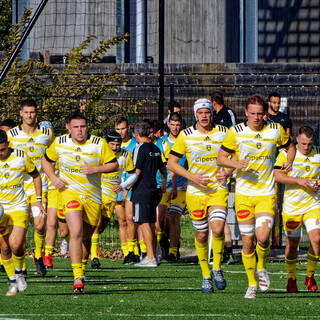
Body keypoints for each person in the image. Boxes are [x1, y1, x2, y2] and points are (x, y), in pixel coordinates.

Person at [217, 94, 295, 299]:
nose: (257, 117)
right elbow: (221, 158)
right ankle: (252, 284)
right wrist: (235, 165)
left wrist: (290, 161)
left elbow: (291, 147)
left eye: (260, 113)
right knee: (247, 242)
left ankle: (262, 267)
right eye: (252, 113)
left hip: (266, 193)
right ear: (245, 113)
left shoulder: (275, 130)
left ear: (266, 114)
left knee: (262, 237)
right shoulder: (236, 132)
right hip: (243, 194)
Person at [42, 112, 118, 292]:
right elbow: (46, 161)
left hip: (93, 197)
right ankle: (77, 277)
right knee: (75, 232)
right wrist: (53, 177)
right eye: (76, 127)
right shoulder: (59, 142)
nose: (80, 130)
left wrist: (96, 169)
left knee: (86, 237)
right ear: (68, 127)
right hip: (69, 193)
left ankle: (81, 271)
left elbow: (114, 164)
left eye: (83, 126)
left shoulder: (98, 144)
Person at [168, 98, 231, 293]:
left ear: (212, 113)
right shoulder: (186, 135)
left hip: (217, 189)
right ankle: (205, 274)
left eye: (207, 112)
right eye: (200, 112)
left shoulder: (223, 132)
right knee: (202, 235)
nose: (204, 116)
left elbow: (235, 155)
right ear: (195, 114)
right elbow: (172, 163)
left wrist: (227, 172)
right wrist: (191, 176)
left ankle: (217, 267)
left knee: (218, 228)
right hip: (195, 192)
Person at [7, 99, 54, 277]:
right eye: (26, 112)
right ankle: (21, 265)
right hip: (17, 187)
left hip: (39, 185)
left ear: (37, 113)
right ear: (20, 113)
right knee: (20, 228)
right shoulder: (12, 135)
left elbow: (52, 155)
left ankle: (38, 256)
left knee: (40, 225)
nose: (29, 115)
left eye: (32, 112)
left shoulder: (47, 133)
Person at [274, 126, 320, 293]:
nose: (306, 148)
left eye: (309, 144)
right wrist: (299, 181)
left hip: (313, 204)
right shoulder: (287, 154)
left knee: (317, 239)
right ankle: (291, 278)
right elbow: (277, 175)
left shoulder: (318, 153)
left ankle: (310, 275)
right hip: (292, 207)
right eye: (303, 144)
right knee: (293, 245)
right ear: (296, 140)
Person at [0, 129, 44, 295]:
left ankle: (20, 272)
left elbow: (36, 175)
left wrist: (38, 199)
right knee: (4, 249)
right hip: (0, 210)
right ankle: (12, 281)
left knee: (16, 244)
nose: (0, 153)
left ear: (8, 145)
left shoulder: (20, 156)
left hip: (18, 206)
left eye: (2, 150)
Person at [90, 130, 135, 269]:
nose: (115, 147)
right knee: (96, 226)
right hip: (98, 193)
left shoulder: (126, 155)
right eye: (112, 144)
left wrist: (123, 186)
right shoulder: (99, 154)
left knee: (102, 226)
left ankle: (88, 245)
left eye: (117, 144)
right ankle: (94, 257)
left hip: (112, 197)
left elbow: (133, 175)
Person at [124, 121, 167, 267]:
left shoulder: (139, 148)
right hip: (153, 189)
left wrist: (125, 187)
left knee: (143, 223)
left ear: (136, 134)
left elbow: (136, 172)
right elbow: (163, 169)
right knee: (150, 224)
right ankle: (154, 255)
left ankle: (150, 257)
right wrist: (163, 184)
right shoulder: (155, 148)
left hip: (141, 190)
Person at [210, 92, 237, 264]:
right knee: (218, 217)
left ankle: (223, 250)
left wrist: (231, 173)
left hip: (220, 176)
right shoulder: (213, 120)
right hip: (209, 176)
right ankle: (225, 249)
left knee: (217, 216)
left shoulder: (227, 117)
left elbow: (233, 148)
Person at [162, 112, 187, 261]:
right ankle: (165, 242)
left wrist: (189, 182)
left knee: (174, 218)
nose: (175, 127)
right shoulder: (162, 142)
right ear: (168, 124)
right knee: (162, 221)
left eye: (178, 125)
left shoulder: (186, 140)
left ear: (181, 125)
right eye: (173, 124)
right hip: (165, 187)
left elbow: (193, 163)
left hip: (181, 186)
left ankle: (173, 251)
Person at [114, 116, 140, 263]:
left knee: (131, 220)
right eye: (117, 129)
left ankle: (133, 250)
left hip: (130, 188)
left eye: (123, 128)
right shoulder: (111, 145)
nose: (120, 132)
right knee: (122, 221)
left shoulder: (134, 145)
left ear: (128, 128)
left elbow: (136, 170)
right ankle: (126, 252)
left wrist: (127, 187)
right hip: (116, 189)